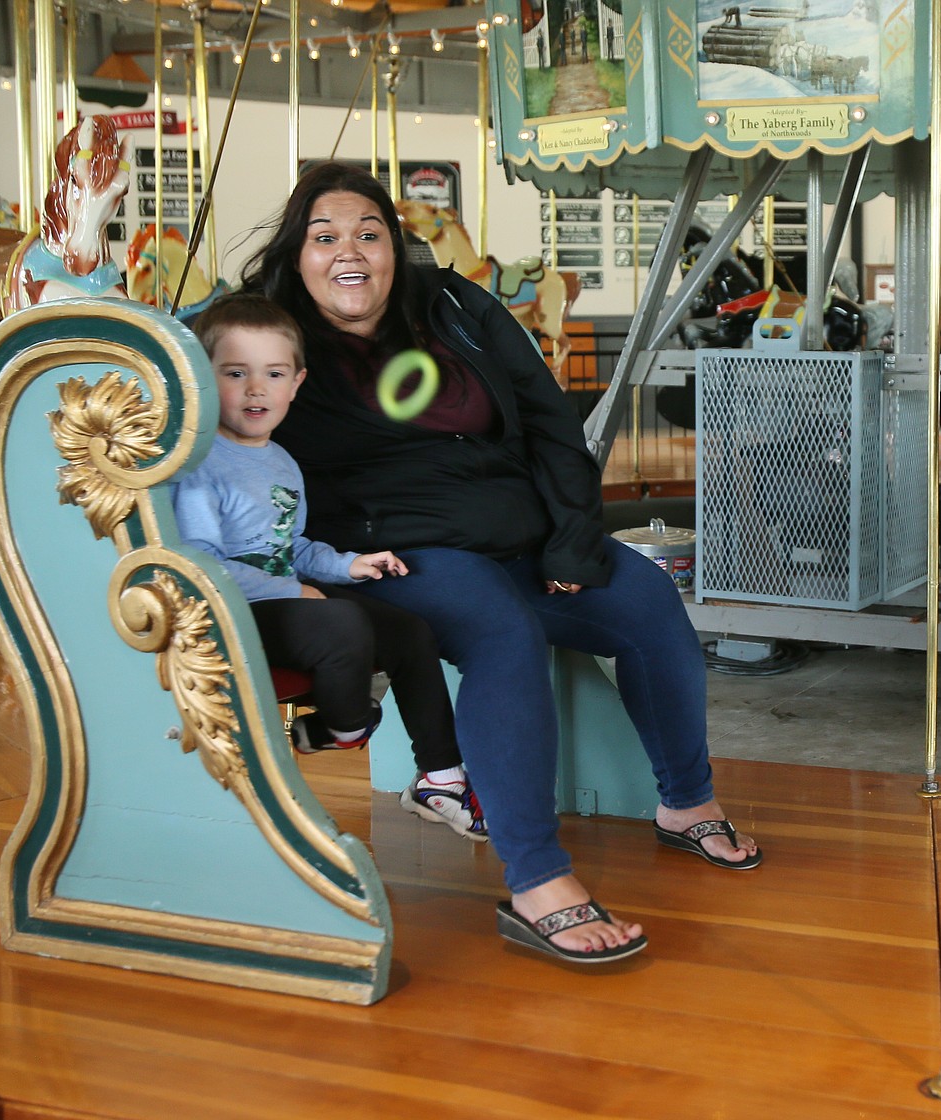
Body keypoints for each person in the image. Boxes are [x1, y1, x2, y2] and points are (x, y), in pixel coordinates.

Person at [240, 161, 762, 964]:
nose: (350, 251)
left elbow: (553, 420)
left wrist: (574, 537)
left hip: (521, 535)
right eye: (325, 235)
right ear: (298, 254)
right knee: (502, 633)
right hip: (400, 553)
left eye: (368, 233)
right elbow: (186, 384)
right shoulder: (267, 334)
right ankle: (538, 878)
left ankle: (686, 803)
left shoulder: (451, 304)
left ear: (394, 246)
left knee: (648, 599)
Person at [170, 292, 487, 842]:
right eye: (235, 372)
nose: (255, 389)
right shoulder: (200, 465)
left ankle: (441, 776)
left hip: (280, 599)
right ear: (204, 377)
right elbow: (201, 563)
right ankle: (343, 727)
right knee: (344, 625)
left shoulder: (281, 462)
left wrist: (349, 566)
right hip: (231, 613)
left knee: (409, 631)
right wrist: (293, 589)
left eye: (273, 373)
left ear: (296, 383)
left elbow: (289, 546)